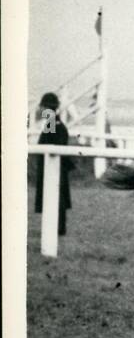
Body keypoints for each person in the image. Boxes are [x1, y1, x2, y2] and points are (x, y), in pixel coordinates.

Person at [33, 92, 72, 235]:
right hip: (54, 166)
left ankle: (58, 229)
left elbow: (50, 144)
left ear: (47, 108)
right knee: (55, 196)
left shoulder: (53, 124)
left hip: (55, 167)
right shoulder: (53, 123)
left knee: (56, 197)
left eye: (43, 107)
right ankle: (56, 227)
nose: (41, 110)